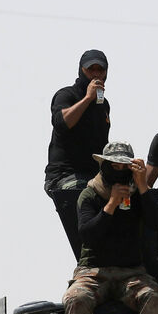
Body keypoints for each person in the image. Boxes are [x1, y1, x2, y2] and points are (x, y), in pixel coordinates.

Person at [62, 141, 158, 314]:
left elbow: (157, 223)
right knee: (75, 300)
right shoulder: (90, 194)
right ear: (105, 165)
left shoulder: (137, 193)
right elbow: (88, 235)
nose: (120, 170)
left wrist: (142, 186)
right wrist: (111, 203)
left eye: (125, 165)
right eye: (115, 165)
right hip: (93, 271)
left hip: (130, 272)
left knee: (154, 297)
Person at [45, 49, 112, 254]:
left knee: (126, 195)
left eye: (100, 70)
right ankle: (89, 257)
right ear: (81, 71)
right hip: (66, 176)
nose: (95, 75)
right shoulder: (67, 95)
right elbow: (62, 123)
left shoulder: (103, 105)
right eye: (90, 69)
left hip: (93, 175)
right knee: (84, 192)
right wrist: (87, 99)